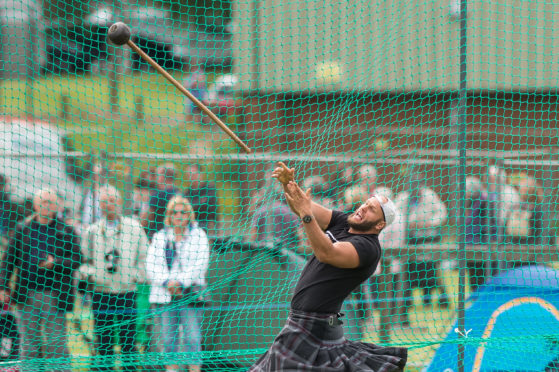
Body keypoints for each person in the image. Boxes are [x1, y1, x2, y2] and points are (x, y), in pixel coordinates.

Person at [249, 162, 407, 372]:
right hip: (309, 323)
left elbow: (327, 252)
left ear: (379, 225)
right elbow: (303, 205)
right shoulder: (345, 221)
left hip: (313, 325)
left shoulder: (368, 248)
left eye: (371, 210)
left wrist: (306, 216)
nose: (362, 208)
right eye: (365, 204)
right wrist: (289, 184)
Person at [0, 189, 81, 372]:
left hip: (56, 295)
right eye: (43, 201)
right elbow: (8, 260)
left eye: (51, 202)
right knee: (29, 344)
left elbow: (77, 259)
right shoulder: (23, 228)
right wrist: (2, 287)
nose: (46, 205)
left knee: (56, 344)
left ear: (57, 205)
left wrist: (56, 263)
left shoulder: (66, 230)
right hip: (27, 294)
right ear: (35, 205)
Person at [79, 185, 148, 371]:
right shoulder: (92, 231)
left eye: (112, 200)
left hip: (127, 292)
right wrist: (94, 275)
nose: (109, 204)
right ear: (99, 205)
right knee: (104, 342)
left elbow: (144, 259)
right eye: (104, 201)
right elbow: (83, 261)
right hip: (101, 293)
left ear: (120, 202)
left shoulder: (134, 228)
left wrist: (133, 276)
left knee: (128, 342)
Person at [146, 195, 210, 372]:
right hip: (165, 295)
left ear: (189, 214)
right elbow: (151, 265)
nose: (179, 215)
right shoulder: (160, 237)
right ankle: (171, 369)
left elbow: (201, 263)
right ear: (169, 215)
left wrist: (180, 283)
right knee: (168, 339)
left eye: (183, 212)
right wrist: (167, 282)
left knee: (192, 337)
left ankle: (194, 369)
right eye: (175, 212)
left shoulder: (199, 236)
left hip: (190, 295)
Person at [395, 173, 449, 326]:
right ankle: (407, 302)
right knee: (409, 272)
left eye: (417, 184)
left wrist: (429, 223)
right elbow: (396, 215)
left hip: (428, 241)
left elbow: (442, 213)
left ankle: (440, 298)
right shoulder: (402, 198)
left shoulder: (430, 195)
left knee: (433, 271)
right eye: (411, 184)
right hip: (410, 241)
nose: (414, 188)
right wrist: (407, 224)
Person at [250, 184, 302, 253]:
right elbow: (300, 235)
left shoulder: (260, 211)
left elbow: (253, 236)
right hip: (286, 253)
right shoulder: (290, 212)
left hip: (264, 253)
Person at [464, 176, 492, 292]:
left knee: (481, 278)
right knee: (474, 278)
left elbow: (488, 226)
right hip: (471, 247)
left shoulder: (483, 203)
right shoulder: (471, 204)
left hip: (480, 246)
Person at [141, 163, 180, 240]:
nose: (156, 178)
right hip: (175, 234)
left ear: (162, 177)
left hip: (157, 235)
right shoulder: (177, 192)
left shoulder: (159, 195)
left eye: (157, 175)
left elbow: (145, 219)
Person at [183, 164, 218, 235]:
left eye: (193, 174)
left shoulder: (209, 189)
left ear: (200, 174)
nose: (190, 177)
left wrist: (191, 206)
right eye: (188, 175)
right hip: (190, 225)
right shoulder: (187, 192)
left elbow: (207, 204)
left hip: (207, 224)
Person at [80, 163, 108, 227]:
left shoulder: (109, 191)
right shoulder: (87, 190)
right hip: (85, 227)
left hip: (101, 228)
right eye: (94, 174)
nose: (96, 177)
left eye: (99, 174)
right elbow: (81, 209)